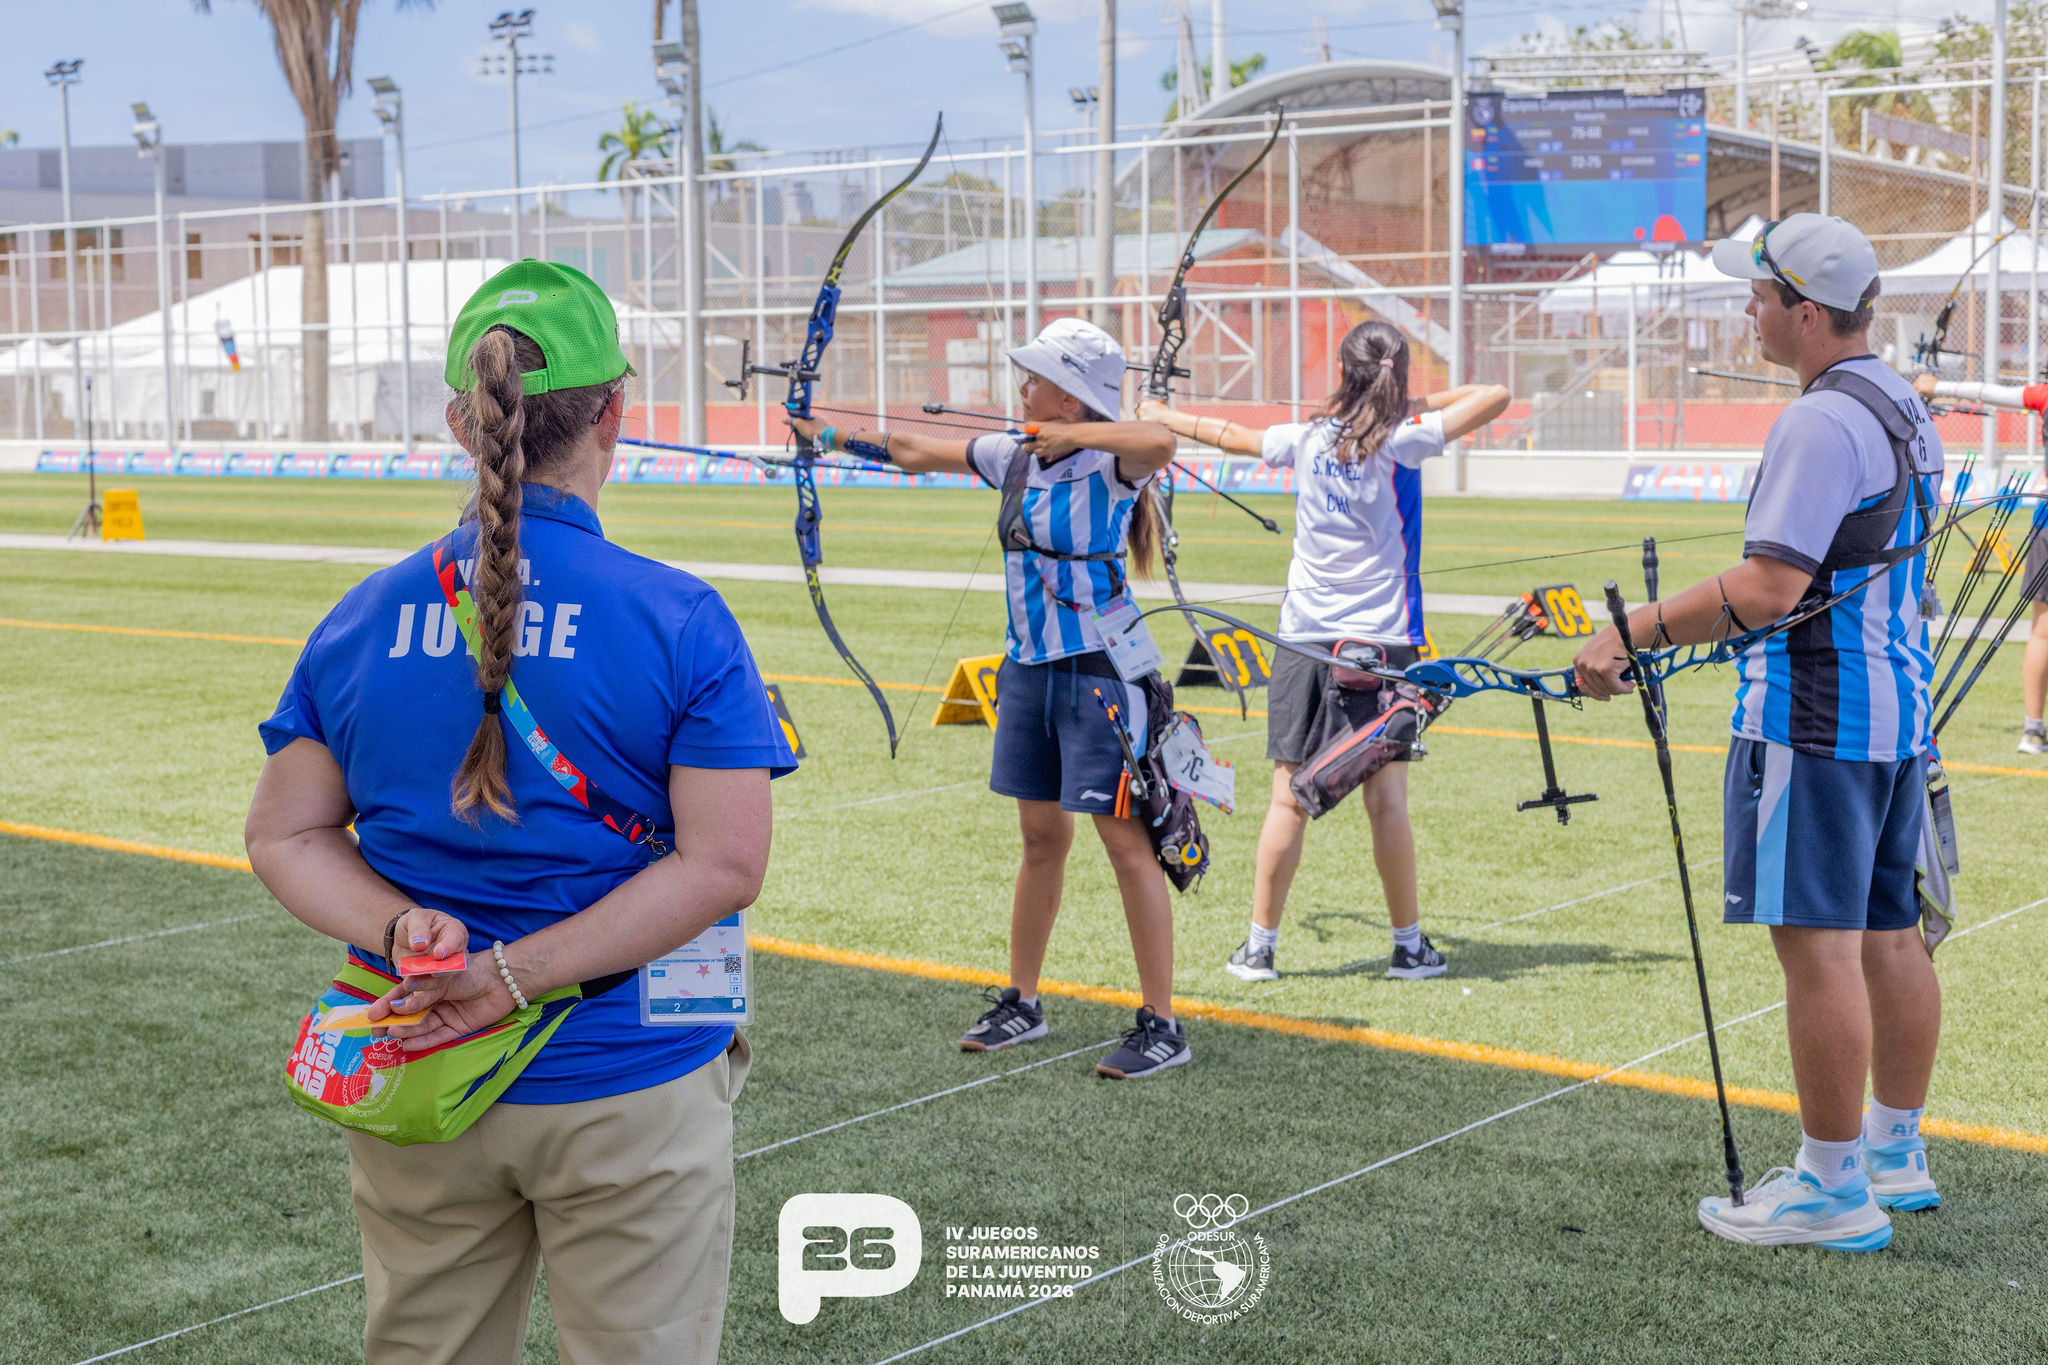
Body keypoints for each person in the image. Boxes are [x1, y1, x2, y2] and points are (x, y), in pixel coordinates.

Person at [245, 260, 794, 1362]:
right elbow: (723, 867)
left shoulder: (362, 616)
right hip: (624, 1076)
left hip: (420, 1072)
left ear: (461, 421)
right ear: (616, 416)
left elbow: (285, 833)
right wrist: (509, 981)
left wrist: (404, 935)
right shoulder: (678, 617)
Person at [1576, 214, 1944, 1251]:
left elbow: (1767, 585)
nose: (1747, 307)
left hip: (1813, 722)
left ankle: (1829, 1189)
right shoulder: (1899, 400)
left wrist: (1627, 635)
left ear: (1806, 311)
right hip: (1889, 716)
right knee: (1885, 933)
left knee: (1815, 949)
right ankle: (1891, 1150)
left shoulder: (1819, 421)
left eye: (1759, 294)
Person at [788, 317, 1190, 1078]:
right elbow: (912, 451)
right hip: (1027, 669)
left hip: (1099, 669)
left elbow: (1159, 444)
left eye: (1037, 377)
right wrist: (826, 436)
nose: (1022, 386)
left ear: (1072, 398)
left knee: (1124, 844)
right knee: (1041, 839)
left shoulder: (1112, 465)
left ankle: (1162, 1022)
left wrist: (1087, 438)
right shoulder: (1014, 453)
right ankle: (1024, 1001)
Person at [1138, 321, 1509, 983]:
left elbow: (1228, 436)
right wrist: (1404, 403)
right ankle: (1408, 947)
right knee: (1387, 801)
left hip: (1303, 638)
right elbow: (1496, 394)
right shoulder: (1405, 438)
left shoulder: (1309, 439)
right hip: (1381, 645)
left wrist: (1163, 413)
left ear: (1344, 371)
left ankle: (1259, 948)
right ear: (1398, 376)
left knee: (1286, 798)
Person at [1910, 372, 2048, 754]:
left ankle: (2033, 731)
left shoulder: (2043, 395)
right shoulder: (2041, 394)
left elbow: (1989, 393)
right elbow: (1992, 393)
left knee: (2042, 631)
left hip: (2046, 518)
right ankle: (2033, 730)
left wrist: (1936, 387)